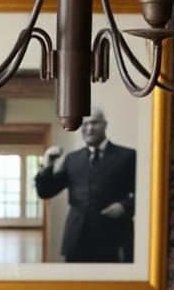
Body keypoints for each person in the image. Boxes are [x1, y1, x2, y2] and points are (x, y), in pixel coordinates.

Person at [34, 110, 136, 263]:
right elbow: (45, 192)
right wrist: (47, 166)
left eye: (94, 123)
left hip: (114, 236)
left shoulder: (127, 156)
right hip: (76, 238)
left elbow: (146, 193)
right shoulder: (72, 159)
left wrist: (126, 206)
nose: (89, 128)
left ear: (105, 125)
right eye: (85, 124)